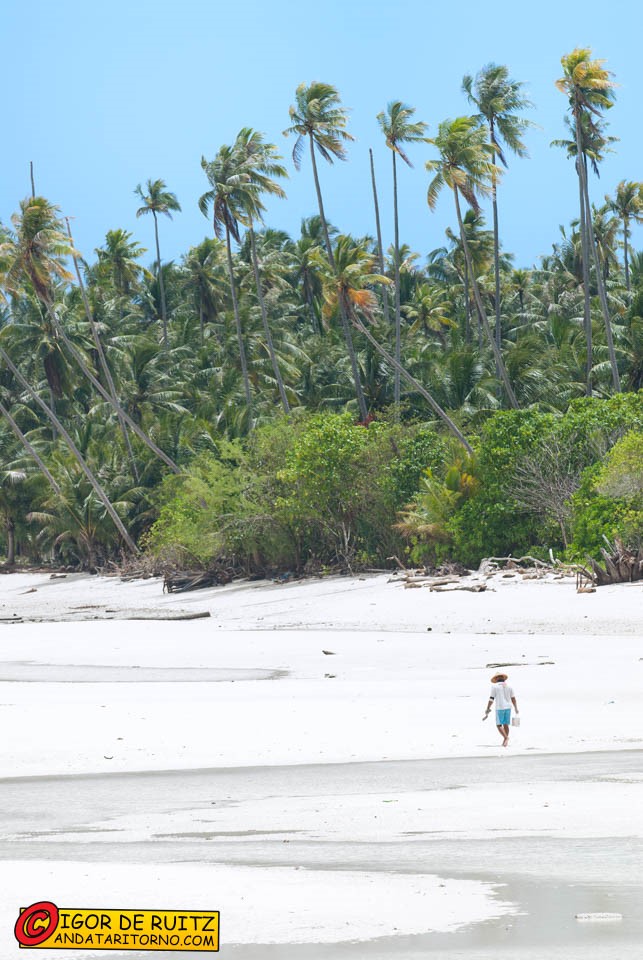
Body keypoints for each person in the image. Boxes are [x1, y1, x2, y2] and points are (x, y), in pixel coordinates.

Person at [483, 673, 519, 746]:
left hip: (500, 708)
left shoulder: (494, 687)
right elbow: (513, 698)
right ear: (503, 678)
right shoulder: (509, 687)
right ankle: (505, 741)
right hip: (508, 707)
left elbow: (491, 699)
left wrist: (488, 708)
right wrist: (516, 708)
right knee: (506, 724)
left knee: (498, 725)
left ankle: (506, 738)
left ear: (496, 679)